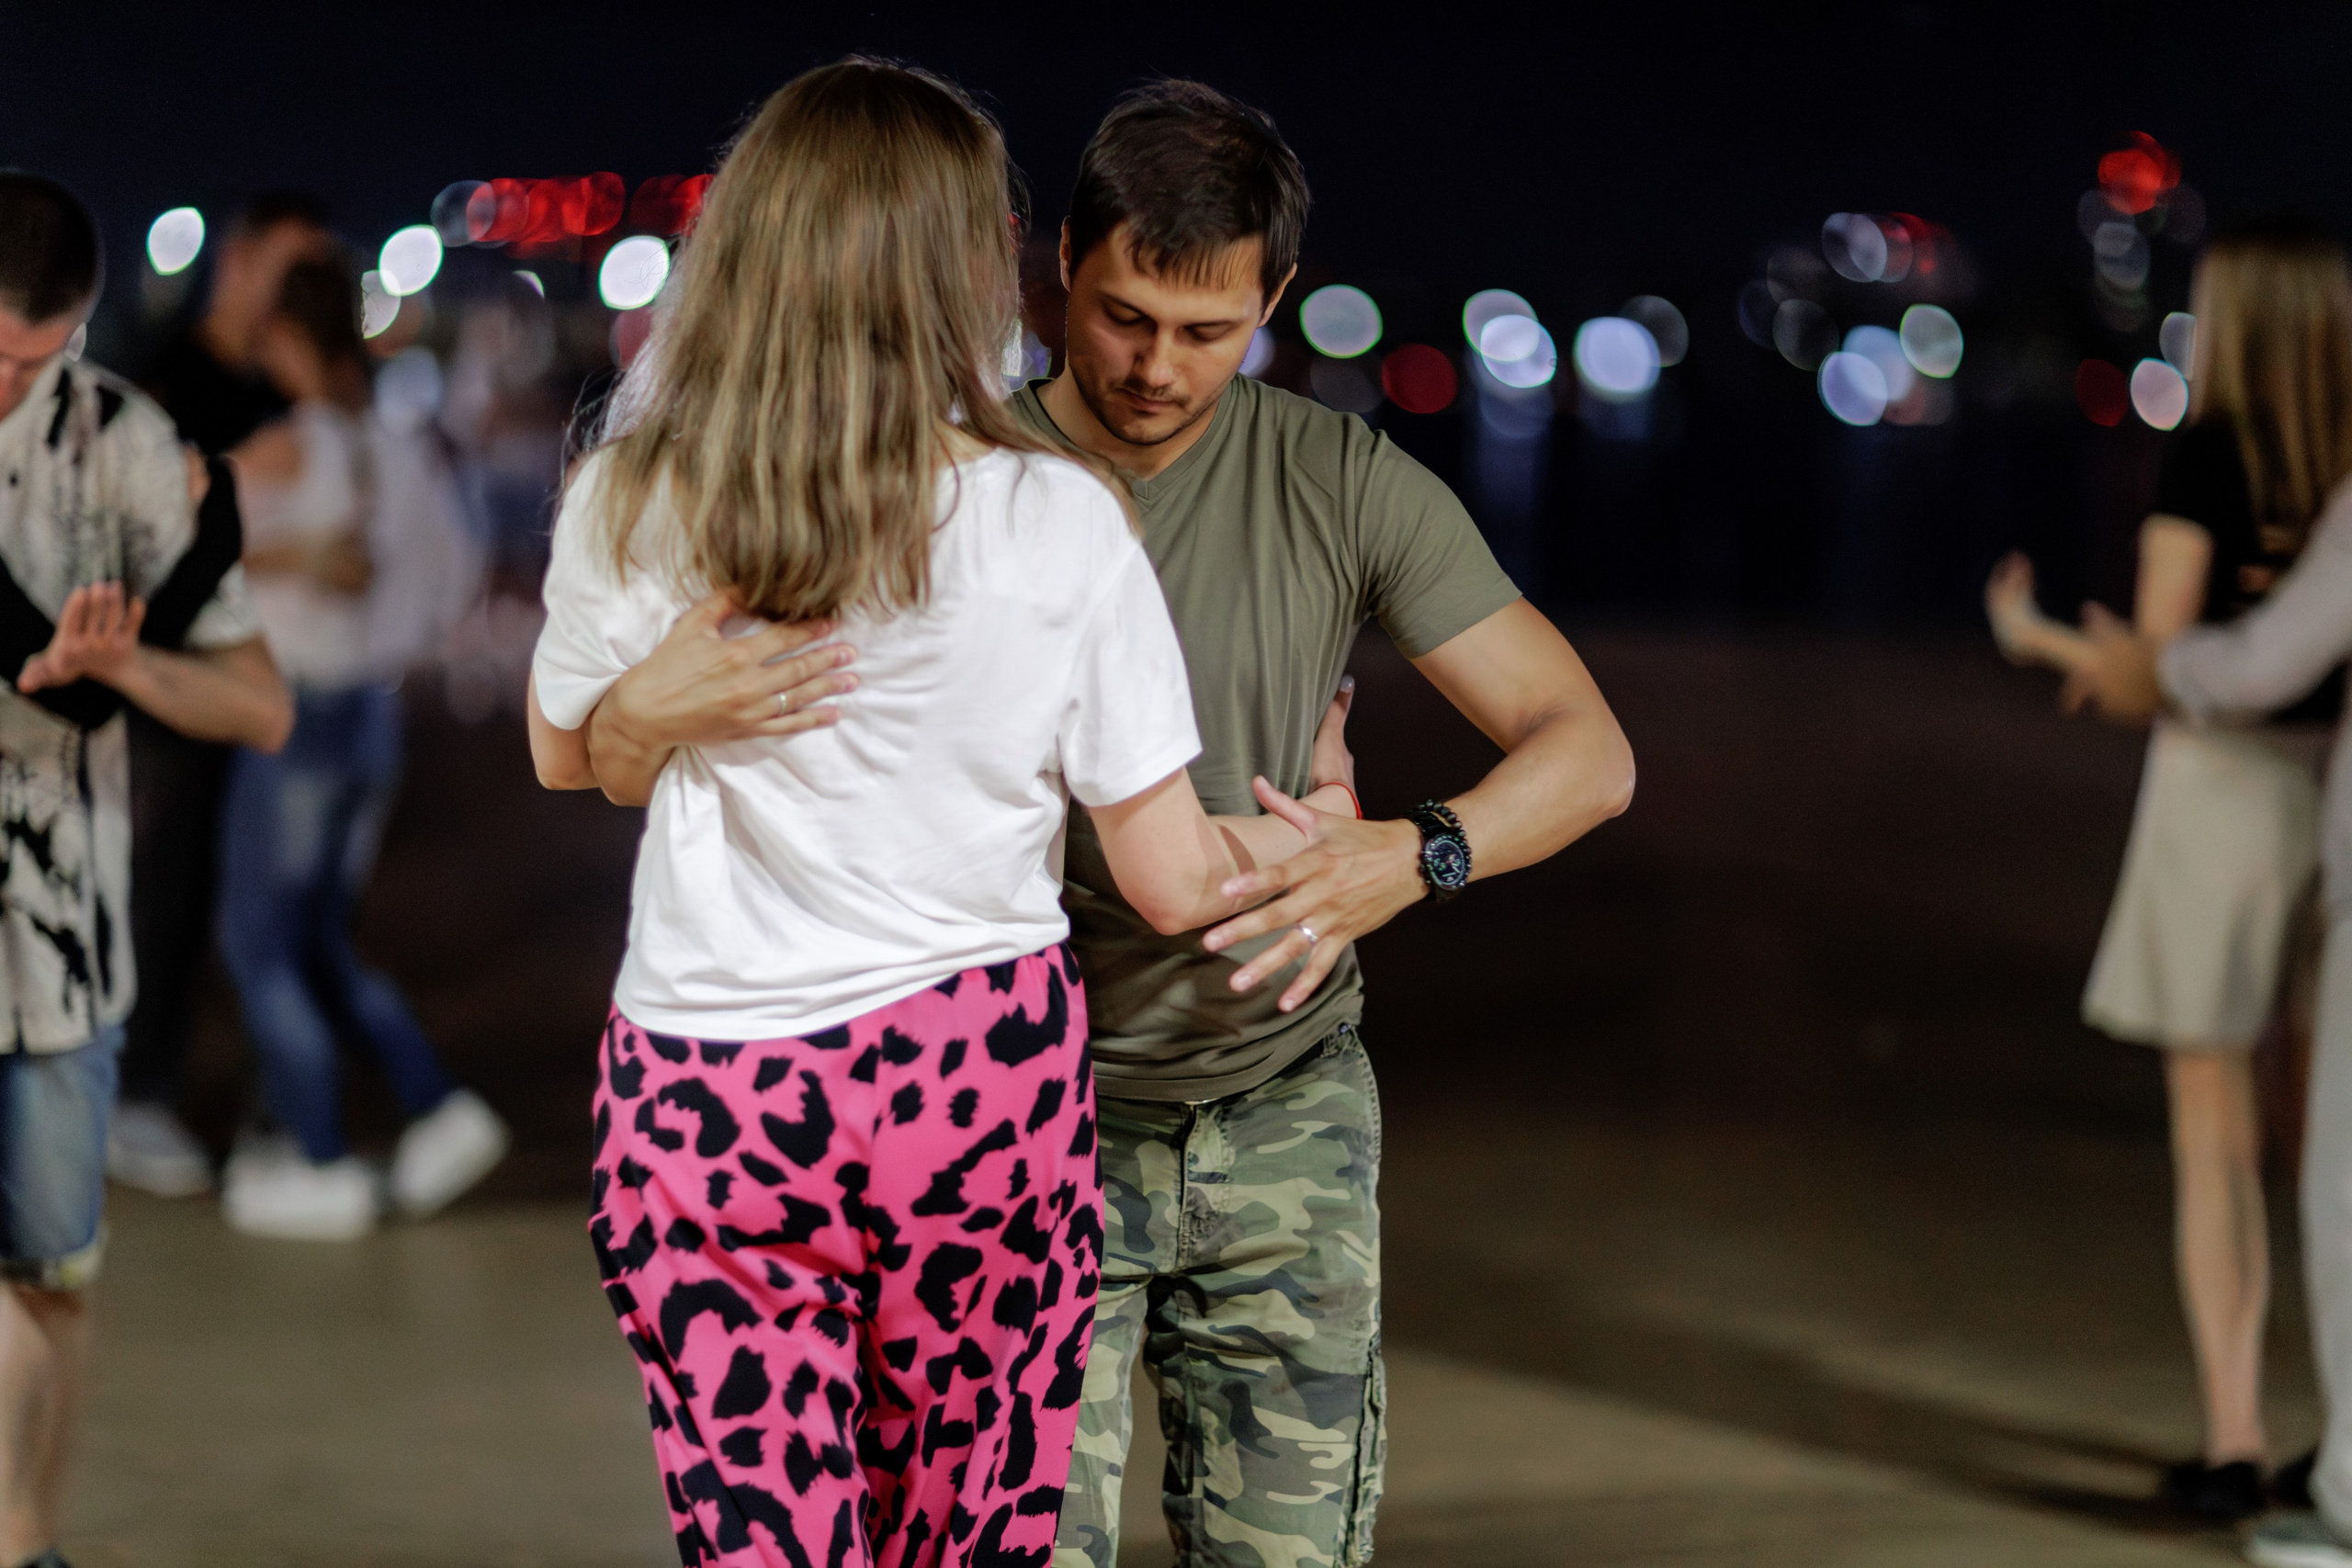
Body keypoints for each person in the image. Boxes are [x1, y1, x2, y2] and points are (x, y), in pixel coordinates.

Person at [579, 81, 1637, 1568]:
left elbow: (1586, 751)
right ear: (1058, 260)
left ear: (1273, 297)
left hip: (1281, 1107)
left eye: (1209, 331)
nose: (1156, 368)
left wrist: (1403, 852)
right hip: (1022, 1127)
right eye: (1123, 313)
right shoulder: (959, 485)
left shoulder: (1339, 481)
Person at [1986, 220, 2352, 1521]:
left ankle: (2237, 1434)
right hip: (2336, 798)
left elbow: (2165, 666)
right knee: (2331, 1147)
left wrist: (2032, 636)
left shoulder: (2210, 451)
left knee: (2219, 1140)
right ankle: (2340, 1435)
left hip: (2221, 807)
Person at [0, 170, 292, 1568]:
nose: (8, 384)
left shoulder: (127, 445)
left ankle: (30, 1534)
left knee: (53, 1273)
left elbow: (260, 702)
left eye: (33, 358)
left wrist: (122, 664)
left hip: (67, 934)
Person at [211, 255, 501, 1241]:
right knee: (318, 938)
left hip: (294, 714)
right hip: (369, 716)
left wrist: (283, 555)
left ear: (291, 342)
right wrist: (393, 637)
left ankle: (318, 1151)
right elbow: (455, 573)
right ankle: (435, 1106)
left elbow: (182, 528)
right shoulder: (399, 449)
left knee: (261, 943)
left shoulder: (292, 448)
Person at [112, 192, 335, 1199]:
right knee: (160, 882)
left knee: (239, 894)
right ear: (238, 265)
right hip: (162, 677)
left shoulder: (278, 385)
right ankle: (131, 1095)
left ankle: (218, 1089)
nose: (299, 295)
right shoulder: (169, 369)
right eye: (289, 270)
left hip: (254, 676)